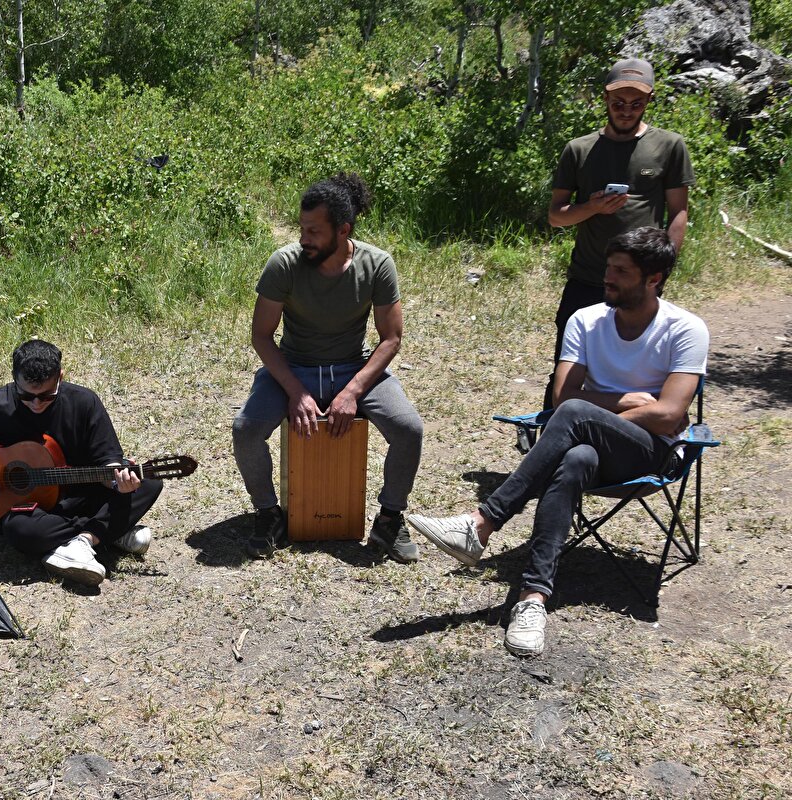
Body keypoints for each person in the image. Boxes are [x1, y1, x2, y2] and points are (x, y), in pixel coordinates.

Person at [407, 227, 708, 656]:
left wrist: (594, 410)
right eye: (608, 267)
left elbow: (669, 414)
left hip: (649, 454)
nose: (609, 277)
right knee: (576, 458)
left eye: (621, 271)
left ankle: (482, 523)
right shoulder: (585, 320)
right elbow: (562, 396)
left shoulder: (686, 329)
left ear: (654, 278)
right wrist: (621, 402)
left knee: (575, 417)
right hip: (588, 446)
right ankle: (532, 599)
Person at [232, 173, 424, 561]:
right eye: (302, 229)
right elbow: (261, 337)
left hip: (353, 368)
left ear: (343, 230)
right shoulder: (284, 264)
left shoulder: (377, 264)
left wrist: (352, 391)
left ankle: (389, 518)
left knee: (409, 428)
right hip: (294, 367)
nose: (304, 239)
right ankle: (269, 514)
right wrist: (295, 392)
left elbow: (391, 339)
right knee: (246, 429)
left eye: (314, 231)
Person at [0, 339, 161, 587]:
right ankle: (109, 530)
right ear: (14, 379)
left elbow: (107, 460)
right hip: (32, 510)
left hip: (84, 495)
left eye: (47, 395)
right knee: (22, 532)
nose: (36, 404)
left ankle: (85, 540)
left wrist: (118, 481)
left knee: (149, 482)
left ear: (60, 376)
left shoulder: (84, 402)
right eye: (26, 395)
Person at [544, 57, 695, 409]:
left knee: (638, 361)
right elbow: (556, 216)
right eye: (618, 103)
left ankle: (635, 431)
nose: (626, 111)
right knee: (568, 359)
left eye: (636, 103)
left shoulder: (669, 145)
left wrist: (663, 268)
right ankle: (550, 427)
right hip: (587, 275)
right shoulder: (579, 150)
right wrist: (592, 207)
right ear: (605, 101)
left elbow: (679, 212)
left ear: (649, 101)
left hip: (641, 279)